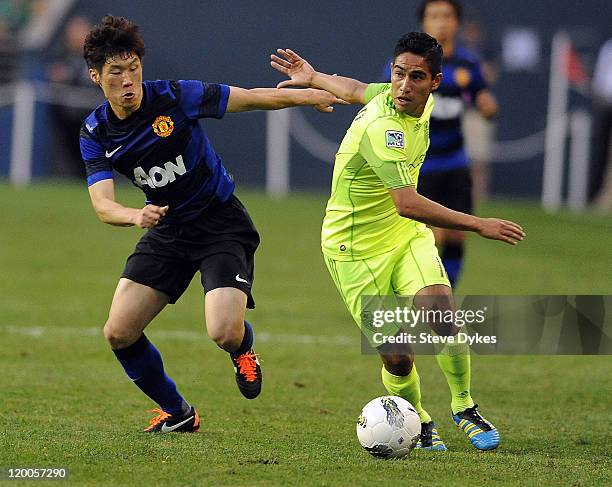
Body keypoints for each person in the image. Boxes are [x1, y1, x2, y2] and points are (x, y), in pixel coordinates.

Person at [80, 15, 343, 433]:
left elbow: (251, 98)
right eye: (116, 72)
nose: (128, 80)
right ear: (96, 76)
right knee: (119, 332)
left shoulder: (174, 96)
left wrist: (310, 94)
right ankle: (178, 413)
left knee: (222, 331)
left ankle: (244, 349)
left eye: (134, 69)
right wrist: (135, 215)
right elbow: (102, 205)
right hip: (165, 228)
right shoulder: (95, 132)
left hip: (220, 223)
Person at [271, 33, 524, 450]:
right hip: (353, 249)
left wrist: (314, 76)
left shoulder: (403, 102)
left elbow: (354, 89)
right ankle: (420, 421)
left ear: (435, 82)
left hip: (402, 237)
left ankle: (464, 407)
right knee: (398, 355)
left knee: (443, 315)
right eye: (398, 74)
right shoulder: (382, 126)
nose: (404, 85)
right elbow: (407, 202)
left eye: (415, 76)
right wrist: (478, 224)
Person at [382, 0, 498, 288]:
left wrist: (487, 105)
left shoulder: (468, 63)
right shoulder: (407, 64)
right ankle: (422, 294)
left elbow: (484, 99)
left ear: (457, 22)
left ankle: (445, 297)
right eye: (434, 16)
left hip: (455, 160)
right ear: (424, 22)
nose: (441, 22)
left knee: (457, 235)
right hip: (421, 163)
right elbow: (390, 97)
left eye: (447, 16)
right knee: (433, 236)